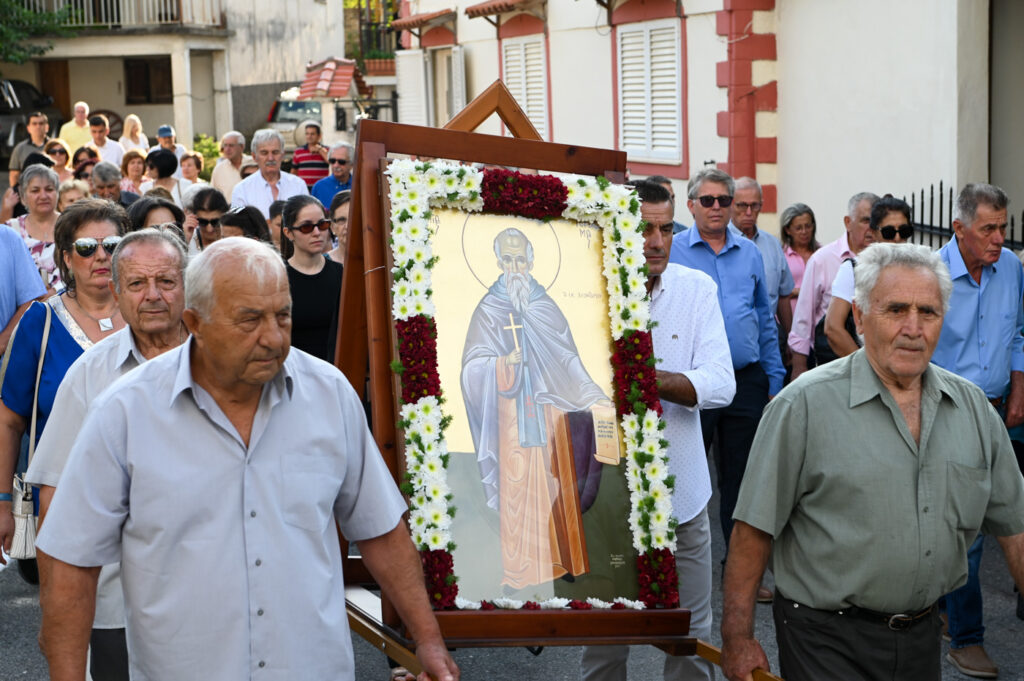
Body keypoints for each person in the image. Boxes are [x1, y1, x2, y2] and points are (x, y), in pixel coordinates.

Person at [35, 237, 459, 681]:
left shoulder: (329, 394)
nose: (273, 338)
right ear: (195, 322)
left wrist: (427, 640)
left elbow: (380, 530)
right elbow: (71, 559)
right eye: (250, 320)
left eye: (283, 315)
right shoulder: (125, 411)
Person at [721, 242, 1024, 681]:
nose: (913, 328)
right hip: (824, 639)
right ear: (859, 318)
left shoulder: (974, 410)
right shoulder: (803, 406)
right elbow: (752, 532)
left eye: (928, 313)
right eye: (896, 310)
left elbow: (1015, 531)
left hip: (921, 638)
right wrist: (738, 639)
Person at [580, 181, 735, 681]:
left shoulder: (696, 289)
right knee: (605, 638)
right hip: (605, 497)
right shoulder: (587, 290)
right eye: (643, 228)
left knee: (688, 635)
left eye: (667, 228)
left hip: (683, 494)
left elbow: (721, 382)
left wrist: (647, 378)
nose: (656, 241)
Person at [28, 227, 188, 681]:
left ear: (186, 287)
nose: (152, 295)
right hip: (119, 606)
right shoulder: (90, 376)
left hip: (216, 603)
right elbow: (54, 503)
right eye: (137, 284)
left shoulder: (222, 366)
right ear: (116, 293)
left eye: (166, 282)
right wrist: (55, 617)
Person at [460, 227, 612, 590]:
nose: (515, 266)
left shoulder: (545, 305)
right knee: (519, 487)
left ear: (531, 261)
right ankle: (522, 571)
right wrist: (502, 364)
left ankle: (561, 562)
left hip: (551, 415)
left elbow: (567, 357)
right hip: (511, 418)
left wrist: (593, 393)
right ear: (499, 262)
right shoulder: (488, 309)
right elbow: (470, 368)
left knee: (558, 485)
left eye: (520, 258)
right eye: (508, 259)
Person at [0, 200, 127, 573]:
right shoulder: (40, 322)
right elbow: (9, 422)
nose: (101, 256)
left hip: (145, 500)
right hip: (61, 505)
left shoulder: (149, 317)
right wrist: (3, 501)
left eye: (113, 245)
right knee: (70, 621)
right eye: (88, 248)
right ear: (67, 258)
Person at [930, 183, 1023, 679]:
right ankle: (966, 638)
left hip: (996, 409)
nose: (999, 238)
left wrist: (1018, 392)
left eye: (1003, 226)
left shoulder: (1010, 268)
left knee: (1007, 514)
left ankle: (944, 611)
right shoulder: (931, 274)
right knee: (966, 530)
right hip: (945, 410)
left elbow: (1020, 333)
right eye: (988, 228)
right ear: (959, 228)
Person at [668, 167, 784, 551]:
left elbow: (764, 319)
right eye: (707, 200)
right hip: (690, 383)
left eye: (724, 201)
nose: (716, 208)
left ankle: (737, 570)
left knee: (742, 480)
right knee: (683, 474)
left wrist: (775, 379)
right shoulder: (674, 250)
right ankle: (674, 563)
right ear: (691, 205)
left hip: (745, 380)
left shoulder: (750, 253)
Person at [788, 191, 878, 378]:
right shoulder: (823, 259)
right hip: (831, 365)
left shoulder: (886, 261)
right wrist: (799, 366)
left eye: (875, 222)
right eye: (864, 221)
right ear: (847, 222)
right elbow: (803, 317)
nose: (870, 228)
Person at [824, 196, 913, 358]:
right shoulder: (853, 269)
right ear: (873, 233)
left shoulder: (918, 272)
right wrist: (868, 369)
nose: (897, 238)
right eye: (889, 232)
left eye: (904, 231)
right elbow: (833, 328)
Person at [282, 195, 343, 362]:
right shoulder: (278, 278)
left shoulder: (340, 274)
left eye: (322, 225)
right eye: (306, 227)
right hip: (292, 373)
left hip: (335, 374)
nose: (317, 233)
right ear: (289, 233)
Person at [728, 178, 794, 327]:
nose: (749, 212)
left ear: (761, 205)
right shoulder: (721, 242)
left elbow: (783, 295)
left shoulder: (773, 244)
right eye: (742, 206)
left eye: (755, 205)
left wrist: (790, 337)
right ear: (731, 204)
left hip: (768, 333)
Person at [6, 165, 61, 292]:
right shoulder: (10, 230)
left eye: (49, 189)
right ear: (23, 196)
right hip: (22, 308)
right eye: (35, 190)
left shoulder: (72, 226)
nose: (43, 196)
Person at [232, 129, 309, 218]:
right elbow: (237, 226)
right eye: (264, 153)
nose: (270, 158)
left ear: (282, 155)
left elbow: (306, 219)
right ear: (254, 157)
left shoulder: (298, 185)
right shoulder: (242, 190)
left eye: (275, 152)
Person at [779, 203, 818, 318]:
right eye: (798, 228)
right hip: (789, 320)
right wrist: (801, 292)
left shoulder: (822, 254)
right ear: (788, 230)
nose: (804, 232)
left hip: (818, 321)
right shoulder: (781, 255)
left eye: (808, 226)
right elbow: (775, 290)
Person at [8, 111, 50, 187]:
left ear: (47, 127)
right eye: (34, 124)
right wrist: (15, 193)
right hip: (28, 191)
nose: (38, 126)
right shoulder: (20, 148)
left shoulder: (56, 147)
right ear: (28, 128)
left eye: (41, 123)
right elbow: (14, 174)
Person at [209, 131, 252, 201]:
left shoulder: (253, 164)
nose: (227, 149)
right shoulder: (219, 169)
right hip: (229, 211)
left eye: (231, 145)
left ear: (242, 147)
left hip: (252, 210)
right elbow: (213, 195)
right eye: (225, 145)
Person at [311, 142, 354, 208]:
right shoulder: (319, 187)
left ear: (352, 164)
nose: (336, 165)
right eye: (332, 161)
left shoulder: (360, 187)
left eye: (341, 162)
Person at [185, 187, 228, 251]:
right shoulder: (189, 239)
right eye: (203, 222)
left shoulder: (233, 237)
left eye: (215, 222)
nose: (209, 229)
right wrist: (185, 241)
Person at [291, 122, 330, 189]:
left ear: (319, 136)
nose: (309, 136)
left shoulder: (326, 150)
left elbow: (330, 161)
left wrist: (320, 149)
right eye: (307, 134)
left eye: (312, 134)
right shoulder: (298, 151)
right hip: (303, 189)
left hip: (321, 189)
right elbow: (293, 172)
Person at [326, 190, 350, 264]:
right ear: (332, 227)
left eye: (353, 219)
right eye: (341, 220)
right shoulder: (320, 265)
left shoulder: (382, 261)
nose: (347, 226)